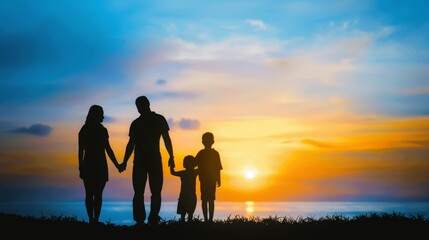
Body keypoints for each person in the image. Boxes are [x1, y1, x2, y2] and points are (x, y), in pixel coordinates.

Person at [121, 96, 175, 225]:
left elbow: (167, 139)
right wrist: (124, 161)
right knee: (139, 192)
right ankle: (141, 220)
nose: (139, 109)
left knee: (155, 191)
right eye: (138, 106)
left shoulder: (158, 119)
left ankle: (152, 218)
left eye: (140, 106)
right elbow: (131, 144)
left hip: (153, 159)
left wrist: (171, 156)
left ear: (147, 104)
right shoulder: (137, 123)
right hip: (141, 160)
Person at [78, 105, 121, 224]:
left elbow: (81, 150)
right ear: (96, 115)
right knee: (96, 194)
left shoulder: (86, 129)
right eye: (101, 113)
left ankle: (93, 220)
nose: (103, 116)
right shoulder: (98, 130)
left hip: (93, 164)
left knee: (92, 194)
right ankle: (94, 220)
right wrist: (117, 165)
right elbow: (108, 149)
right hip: (96, 165)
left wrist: (81, 166)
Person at [195, 132, 223, 222]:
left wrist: (219, 179)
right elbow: (194, 163)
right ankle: (207, 219)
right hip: (204, 180)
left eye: (208, 140)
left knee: (210, 200)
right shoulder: (201, 153)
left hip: (211, 180)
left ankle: (209, 219)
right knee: (206, 200)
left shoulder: (215, 154)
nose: (207, 142)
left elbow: (218, 168)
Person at [170, 155, 199, 222]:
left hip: (188, 195)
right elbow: (173, 172)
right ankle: (186, 226)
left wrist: (171, 164)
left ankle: (186, 226)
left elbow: (173, 172)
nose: (184, 163)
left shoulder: (188, 173)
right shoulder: (192, 172)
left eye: (185, 162)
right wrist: (171, 164)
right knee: (185, 214)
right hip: (185, 195)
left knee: (188, 214)